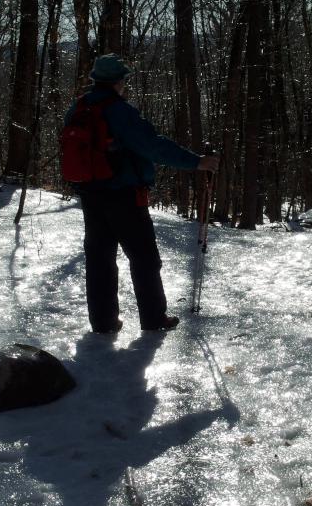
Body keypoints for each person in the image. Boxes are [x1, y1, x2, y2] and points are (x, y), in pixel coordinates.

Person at [66, 53, 219, 334]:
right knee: (144, 258)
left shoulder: (78, 108)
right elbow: (153, 146)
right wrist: (197, 162)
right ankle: (153, 319)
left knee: (100, 259)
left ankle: (103, 322)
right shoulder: (119, 112)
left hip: (90, 195)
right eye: (124, 79)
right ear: (118, 81)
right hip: (124, 196)